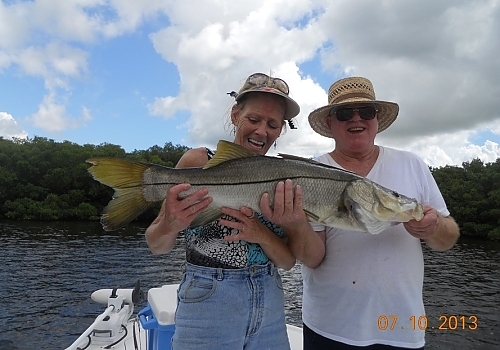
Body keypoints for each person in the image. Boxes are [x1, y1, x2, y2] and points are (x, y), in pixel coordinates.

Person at [295, 76, 460, 349]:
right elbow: (312, 259)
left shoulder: (412, 164)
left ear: (377, 117)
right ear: (330, 123)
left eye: (366, 111)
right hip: (329, 327)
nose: (355, 118)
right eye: (344, 113)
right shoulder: (310, 174)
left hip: (402, 328)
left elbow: (448, 239)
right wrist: (294, 223)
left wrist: (434, 227)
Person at [145, 72, 301, 350]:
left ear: (280, 130)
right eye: (254, 120)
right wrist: (170, 224)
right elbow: (156, 244)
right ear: (235, 115)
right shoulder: (199, 161)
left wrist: (261, 234)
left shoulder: (284, 179)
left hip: (270, 305)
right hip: (208, 304)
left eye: (273, 124)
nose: (262, 131)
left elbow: (288, 262)